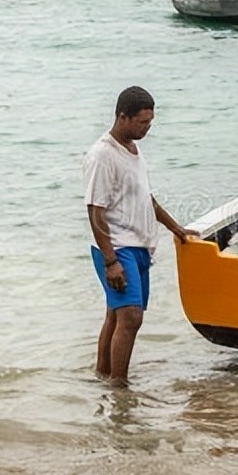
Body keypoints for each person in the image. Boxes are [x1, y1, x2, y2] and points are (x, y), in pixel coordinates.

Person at [84, 86, 196, 384]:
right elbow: (95, 211)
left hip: (139, 246)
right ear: (123, 117)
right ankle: (120, 386)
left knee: (117, 315)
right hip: (117, 247)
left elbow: (147, 199)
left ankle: (102, 376)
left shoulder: (133, 149)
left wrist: (176, 228)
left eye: (150, 122)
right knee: (131, 317)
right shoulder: (103, 155)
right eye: (142, 123)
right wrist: (111, 262)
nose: (147, 128)